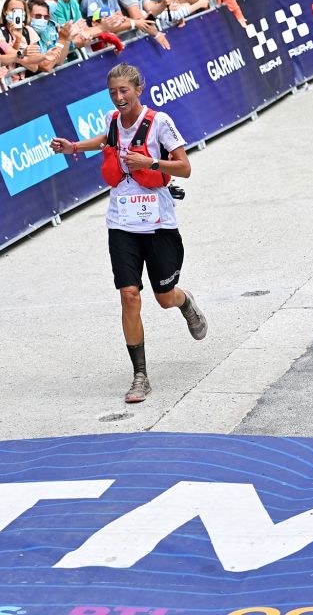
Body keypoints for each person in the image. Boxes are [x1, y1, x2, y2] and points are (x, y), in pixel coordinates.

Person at [49, 63, 207, 404]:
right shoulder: (111, 120)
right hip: (121, 222)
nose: (119, 97)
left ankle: (185, 301)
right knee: (129, 295)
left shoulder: (160, 123)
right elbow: (106, 140)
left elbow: (185, 167)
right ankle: (140, 376)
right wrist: (73, 147)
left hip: (158, 222)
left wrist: (150, 163)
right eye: (113, 92)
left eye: (124, 91)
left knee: (164, 298)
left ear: (138, 89)